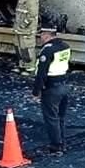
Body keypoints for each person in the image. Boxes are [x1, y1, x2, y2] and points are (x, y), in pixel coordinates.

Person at [32, 26, 71, 156]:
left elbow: (41, 74)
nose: (40, 38)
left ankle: (55, 147)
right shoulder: (65, 46)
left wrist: (36, 92)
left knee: (51, 118)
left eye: (41, 35)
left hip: (52, 87)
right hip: (64, 84)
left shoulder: (47, 50)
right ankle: (62, 143)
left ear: (47, 35)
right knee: (60, 117)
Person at [12, 0, 39, 76]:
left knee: (27, 48)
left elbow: (32, 14)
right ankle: (22, 66)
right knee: (19, 48)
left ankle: (30, 69)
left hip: (26, 29)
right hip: (19, 28)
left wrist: (23, 25)